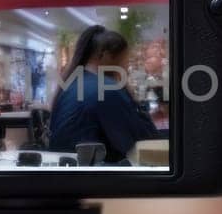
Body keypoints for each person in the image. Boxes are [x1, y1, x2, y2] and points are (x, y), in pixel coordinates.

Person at [48, 24, 161, 164]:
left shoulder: (70, 84)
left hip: (65, 175)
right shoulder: (108, 89)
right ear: (105, 56)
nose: (127, 68)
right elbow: (146, 141)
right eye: (125, 61)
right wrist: (128, 89)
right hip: (97, 179)